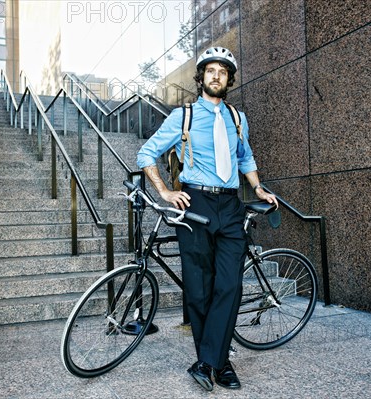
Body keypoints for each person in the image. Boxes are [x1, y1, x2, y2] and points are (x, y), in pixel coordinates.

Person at [136, 46, 278, 392]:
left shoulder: (237, 118)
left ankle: (207, 362)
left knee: (229, 285)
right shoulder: (182, 116)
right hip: (194, 202)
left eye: (223, 71)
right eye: (210, 70)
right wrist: (165, 192)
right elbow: (147, 153)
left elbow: (245, 156)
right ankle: (220, 363)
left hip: (230, 206)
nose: (217, 76)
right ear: (201, 77)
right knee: (199, 291)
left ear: (229, 79)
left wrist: (257, 188)